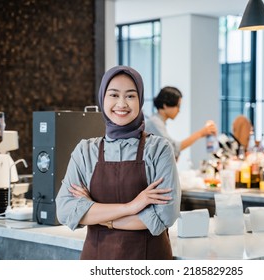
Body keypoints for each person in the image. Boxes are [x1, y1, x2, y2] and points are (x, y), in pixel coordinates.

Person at [56, 66, 181, 260]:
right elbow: (65, 211)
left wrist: (96, 212)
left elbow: (165, 215)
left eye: (130, 96)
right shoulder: (85, 151)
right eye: (113, 95)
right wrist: (131, 207)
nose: (121, 104)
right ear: (102, 99)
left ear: (140, 100)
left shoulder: (159, 149)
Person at [145, 86, 217, 159]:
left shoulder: (157, 121)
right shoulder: (154, 122)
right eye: (178, 106)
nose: (179, 111)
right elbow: (173, 148)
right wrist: (200, 133)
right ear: (165, 105)